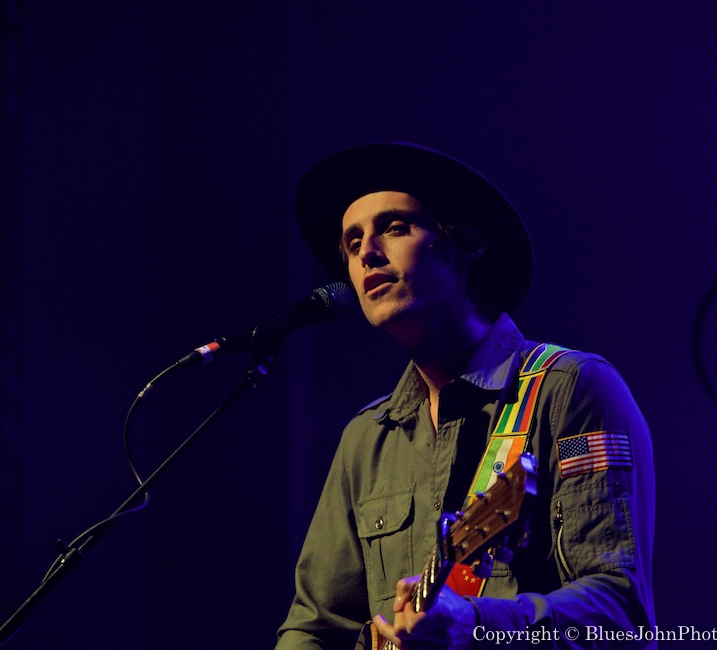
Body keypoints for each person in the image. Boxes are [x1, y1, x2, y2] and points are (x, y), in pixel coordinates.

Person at [276, 143, 655, 649]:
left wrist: (473, 623)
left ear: (467, 242)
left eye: (393, 227)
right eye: (351, 242)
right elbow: (313, 627)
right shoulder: (365, 440)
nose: (366, 252)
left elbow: (620, 615)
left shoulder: (572, 389)